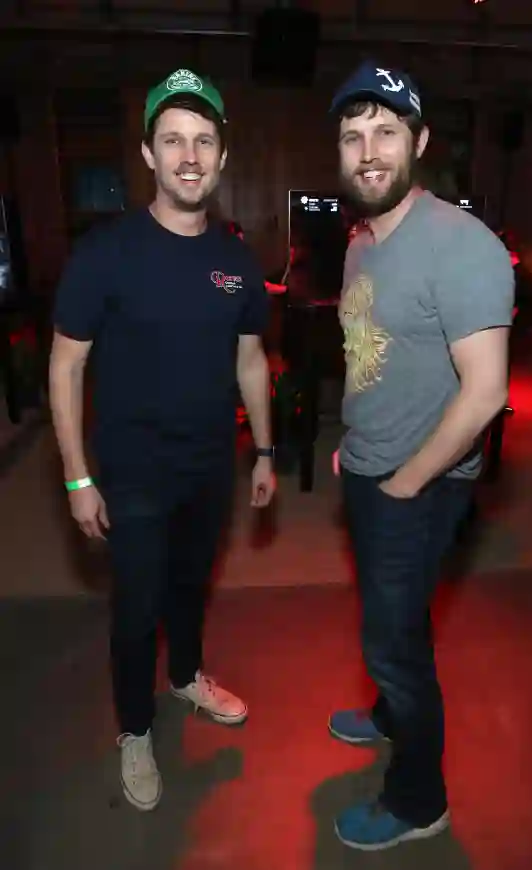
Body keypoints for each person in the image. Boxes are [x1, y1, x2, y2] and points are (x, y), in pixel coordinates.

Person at [49, 68, 276, 812]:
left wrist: (266, 452)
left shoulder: (238, 263)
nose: (189, 155)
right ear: (147, 153)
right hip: (133, 474)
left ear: (222, 157)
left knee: (189, 590)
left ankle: (185, 678)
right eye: (173, 139)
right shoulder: (105, 253)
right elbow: (67, 363)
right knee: (136, 607)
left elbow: (249, 361)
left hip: (209, 466)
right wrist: (78, 477)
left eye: (203, 140)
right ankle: (136, 729)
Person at [327, 61, 514, 850]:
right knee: (390, 618)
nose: (369, 150)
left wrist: (402, 480)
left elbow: (486, 393)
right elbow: (369, 350)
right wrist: (352, 444)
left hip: (420, 483)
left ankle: (418, 801)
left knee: (394, 644)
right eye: (352, 134)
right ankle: (384, 713)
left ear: (420, 141)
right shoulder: (362, 240)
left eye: (386, 131)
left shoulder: (462, 245)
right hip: (371, 468)